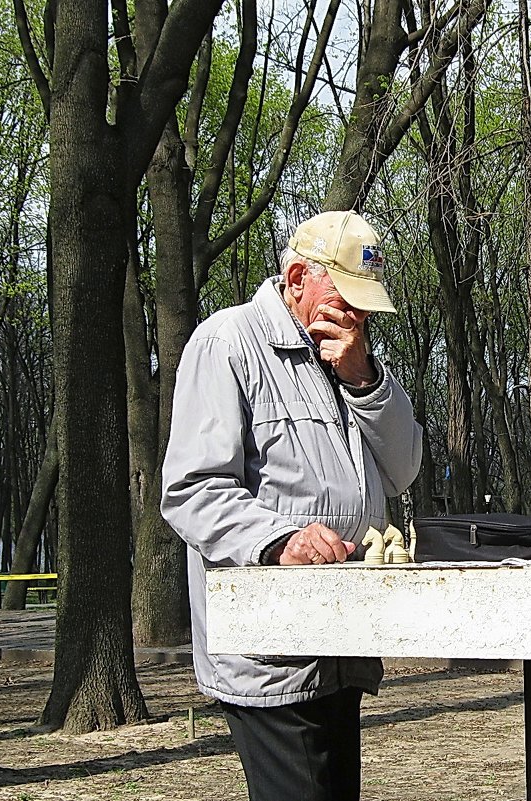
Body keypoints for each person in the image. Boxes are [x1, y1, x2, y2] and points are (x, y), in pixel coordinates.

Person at [161, 210, 422, 801]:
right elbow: (190, 490)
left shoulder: (347, 354)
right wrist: (280, 540)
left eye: (364, 303)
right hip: (272, 652)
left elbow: (403, 467)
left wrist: (364, 378)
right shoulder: (227, 343)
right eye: (345, 296)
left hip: (342, 639)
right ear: (298, 277)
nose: (355, 316)